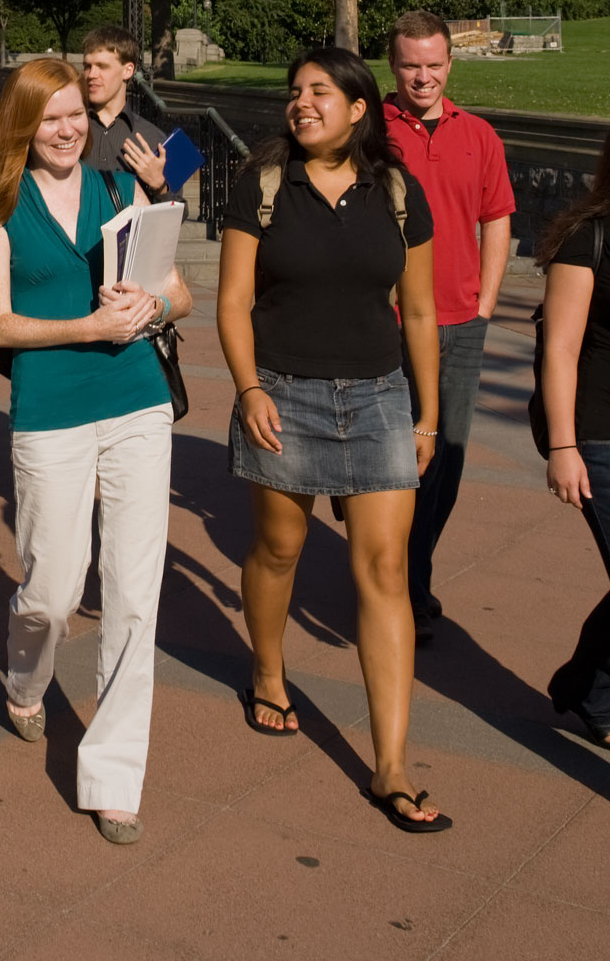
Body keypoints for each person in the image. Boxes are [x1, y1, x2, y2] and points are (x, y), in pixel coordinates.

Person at [216, 46, 450, 833]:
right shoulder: (263, 186)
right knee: (279, 549)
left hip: (381, 397)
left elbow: (418, 312)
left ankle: (391, 764)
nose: (301, 103)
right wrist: (248, 390)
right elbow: (234, 301)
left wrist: (428, 414)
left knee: (384, 570)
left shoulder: (397, 191)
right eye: (294, 93)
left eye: (320, 92)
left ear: (359, 108)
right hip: (281, 393)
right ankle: (268, 669)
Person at [0, 57, 190, 845]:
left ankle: (116, 776)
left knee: (132, 591)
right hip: (51, 408)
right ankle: (27, 678)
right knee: (53, 590)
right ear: (22, 123)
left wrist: (151, 304)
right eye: (49, 117)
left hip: (136, 401)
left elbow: (179, 291)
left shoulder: (121, 189)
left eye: (75, 115)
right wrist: (88, 327)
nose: (67, 129)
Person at [383, 11, 514, 640]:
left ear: (449, 64)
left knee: (446, 463)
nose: (424, 77)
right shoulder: (369, 131)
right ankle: (401, 588)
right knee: (394, 459)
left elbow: (497, 221)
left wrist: (486, 305)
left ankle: (410, 572)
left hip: (461, 322)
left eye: (434, 64)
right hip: (385, 324)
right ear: (393, 65)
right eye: (412, 65)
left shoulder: (480, 135)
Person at [538, 126, 610, 747]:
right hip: (603, 435)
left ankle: (589, 687)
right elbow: (560, 351)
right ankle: (591, 687)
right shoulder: (587, 239)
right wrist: (564, 447)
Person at [81, 25, 170, 197]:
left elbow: (175, 217)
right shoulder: (68, 131)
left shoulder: (153, 139)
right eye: (87, 66)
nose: (91, 74)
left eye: (102, 66)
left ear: (128, 70)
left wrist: (160, 186)